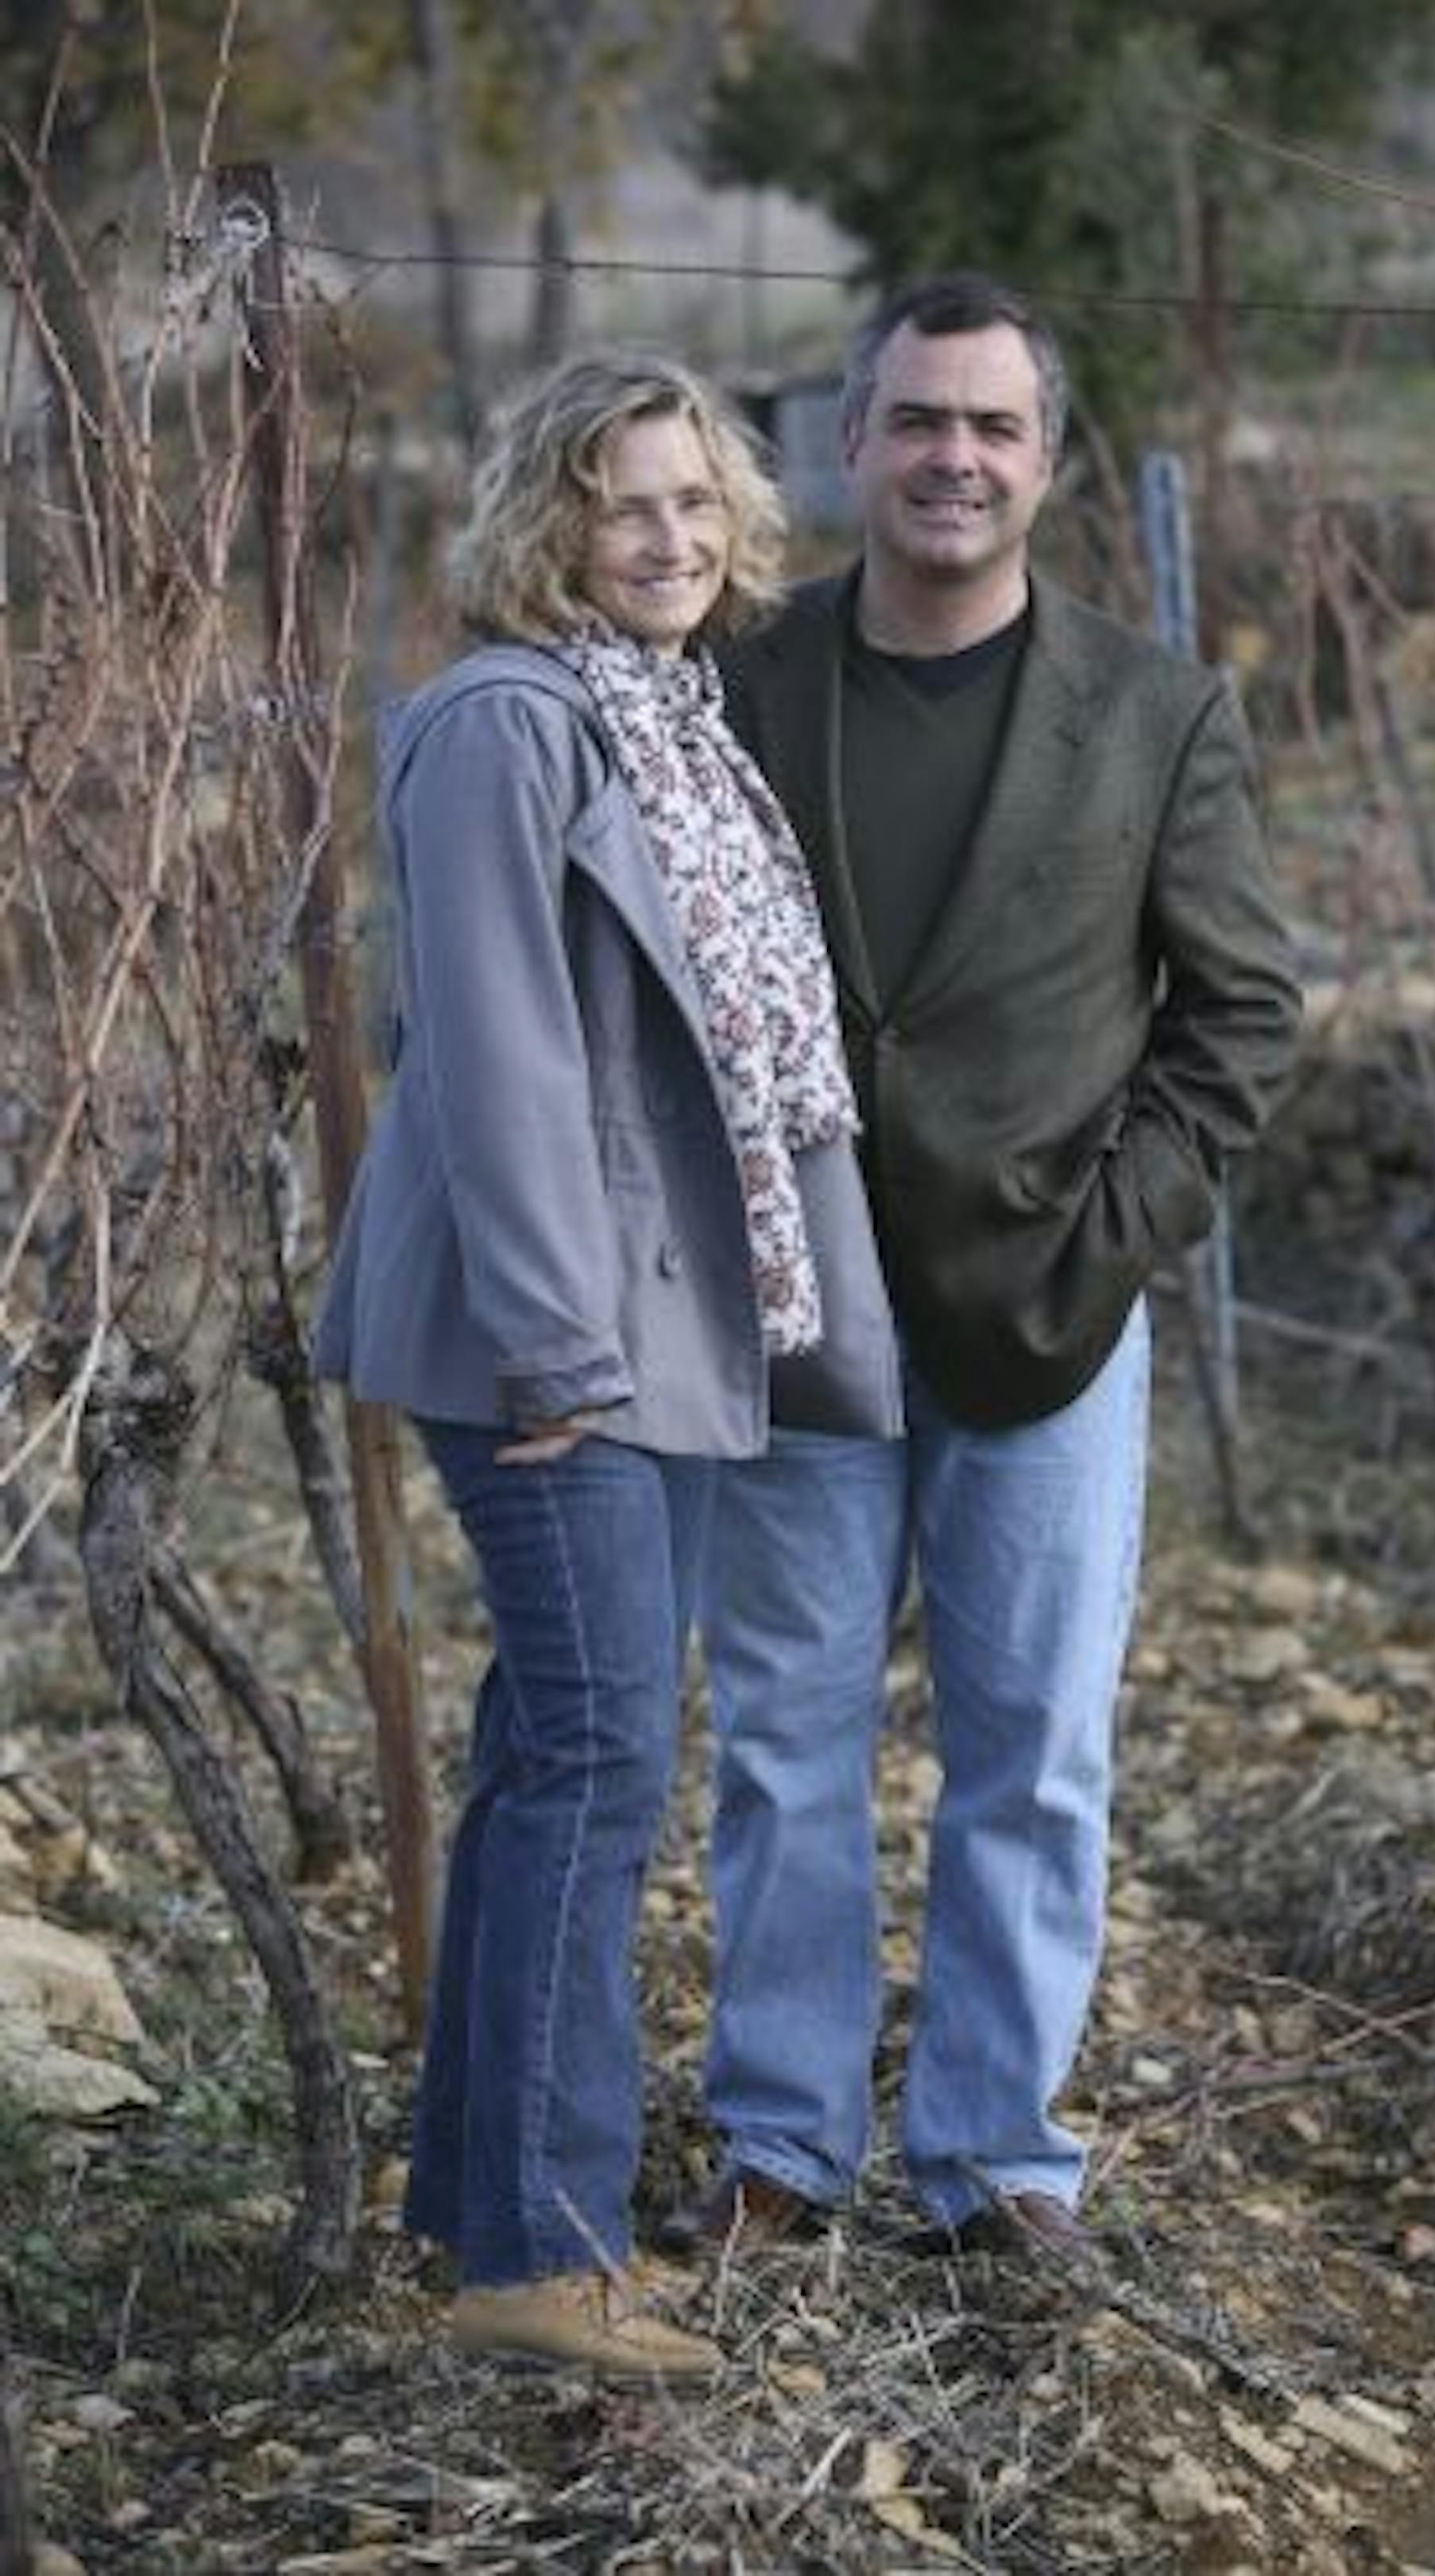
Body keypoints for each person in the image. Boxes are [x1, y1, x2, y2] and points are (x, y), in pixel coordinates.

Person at [663, 274, 1302, 2273]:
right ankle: (783, 2141)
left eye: (995, 427)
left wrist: (1108, 1238)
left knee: (1035, 1743)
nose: (955, 457)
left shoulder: (1157, 708)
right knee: (787, 1731)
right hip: (791, 1312)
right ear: (851, 442)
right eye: (919, 420)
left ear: (1047, 461)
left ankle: (1000, 2159)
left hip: (1053, 1315)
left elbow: (1247, 1016)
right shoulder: (738, 683)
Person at [315, 352, 900, 2377]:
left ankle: (481, 2204)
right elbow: (495, 1051)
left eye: (695, 500)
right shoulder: (506, 721)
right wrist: (564, 1347)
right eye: (618, 503)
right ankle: (544, 2251)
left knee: (539, 1757)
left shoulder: (670, 721)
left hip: (640, 1325)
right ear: (542, 527)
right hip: (544, 1340)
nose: (666, 537)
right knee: (591, 1759)